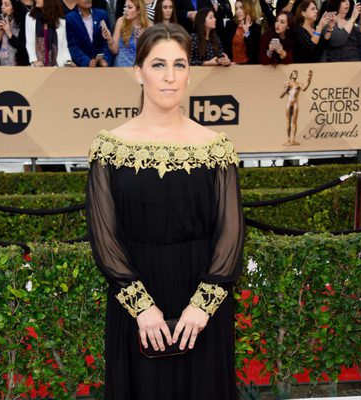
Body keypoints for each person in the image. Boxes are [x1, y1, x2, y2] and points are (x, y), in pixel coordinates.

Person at [86, 22, 244, 400]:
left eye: (180, 64)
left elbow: (231, 233)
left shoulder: (215, 146)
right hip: (136, 306)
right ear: (138, 71)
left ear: (190, 72)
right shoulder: (109, 148)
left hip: (203, 305)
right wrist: (143, 309)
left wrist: (202, 307)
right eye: (158, 65)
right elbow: (104, 238)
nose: (170, 77)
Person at [101, 0, 151, 66]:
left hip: (138, 68)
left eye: (129, 7)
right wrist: (109, 38)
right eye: (125, 7)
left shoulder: (149, 26)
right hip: (120, 68)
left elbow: (151, 54)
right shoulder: (121, 21)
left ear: (139, 10)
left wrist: (143, 40)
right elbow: (115, 51)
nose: (126, 10)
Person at [26, 0, 73, 66]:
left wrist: (69, 62)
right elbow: (29, 43)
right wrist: (35, 61)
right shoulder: (30, 17)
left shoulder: (61, 21)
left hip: (56, 67)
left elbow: (64, 47)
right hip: (38, 67)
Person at [66, 0, 112, 66]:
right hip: (82, 69)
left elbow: (107, 42)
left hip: (103, 67)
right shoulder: (70, 19)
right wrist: (87, 62)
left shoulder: (102, 15)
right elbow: (73, 47)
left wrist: (106, 60)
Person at [280, 69, 312, 145]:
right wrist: (286, 90)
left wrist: (309, 82)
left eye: (296, 73)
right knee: (288, 121)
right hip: (289, 103)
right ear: (291, 74)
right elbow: (281, 96)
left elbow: (304, 89)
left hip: (295, 104)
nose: (295, 74)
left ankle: (293, 140)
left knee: (294, 122)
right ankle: (288, 139)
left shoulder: (299, 84)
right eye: (294, 73)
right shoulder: (287, 83)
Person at [0, 0, 29, 65]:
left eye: (6, 5)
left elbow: (23, 48)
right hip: (0, 66)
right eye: (2, 4)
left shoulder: (23, 23)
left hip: (18, 66)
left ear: (14, 8)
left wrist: (9, 34)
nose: (2, 7)